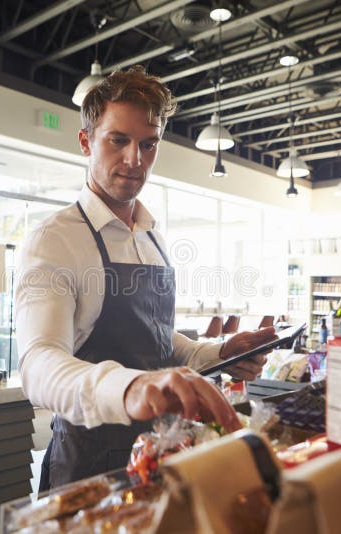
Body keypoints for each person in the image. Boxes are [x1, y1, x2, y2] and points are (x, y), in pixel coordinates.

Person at [16, 65, 277, 490]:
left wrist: (218, 353)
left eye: (148, 144)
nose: (135, 159)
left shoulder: (151, 235)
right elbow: (39, 364)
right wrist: (129, 386)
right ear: (86, 141)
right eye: (118, 140)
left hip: (161, 454)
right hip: (89, 466)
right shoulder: (54, 240)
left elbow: (155, 337)